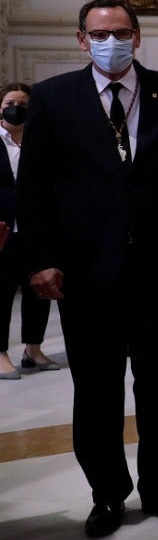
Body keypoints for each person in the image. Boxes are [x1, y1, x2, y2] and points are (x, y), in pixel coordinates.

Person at [17, 0, 158, 537]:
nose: (113, 41)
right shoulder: (53, 98)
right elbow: (33, 187)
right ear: (82, 39)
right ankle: (107, 494)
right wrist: (40, 260)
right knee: (97, 388)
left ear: (137, 35)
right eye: (101, 33)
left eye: (123, 31)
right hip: (86, 269)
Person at [1, 83, 58, 380]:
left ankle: (32, 349)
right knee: (2, 293)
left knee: (39, 291)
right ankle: (0, 353)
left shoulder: (40, 142)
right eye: (11, 102)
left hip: (35, 232)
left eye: (24, 104)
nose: (17, 108)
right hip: (3, 231)